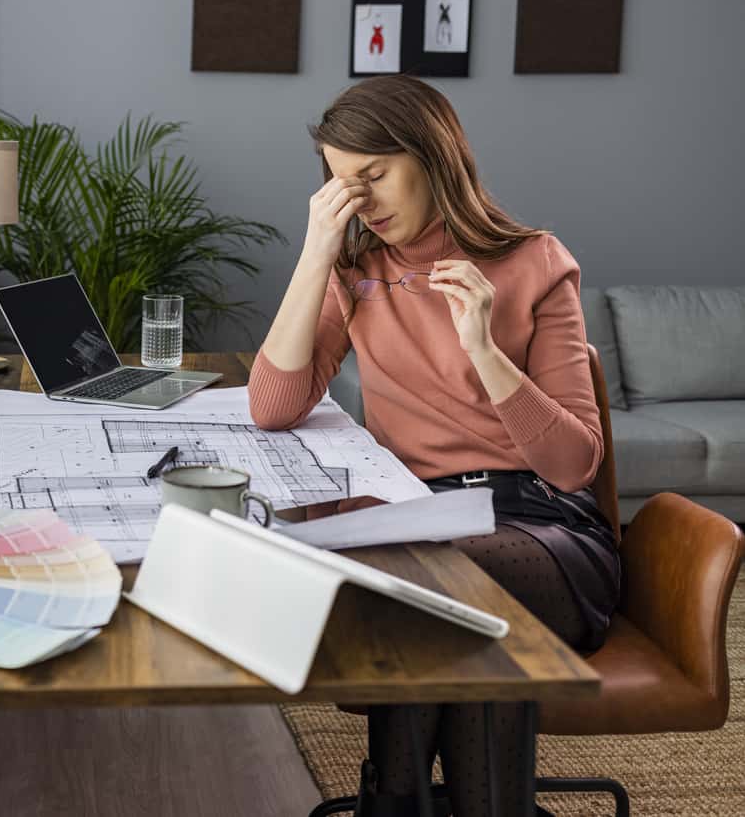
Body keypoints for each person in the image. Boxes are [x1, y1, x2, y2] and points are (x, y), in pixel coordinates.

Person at [248, 74, 621, 816]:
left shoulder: (536, 262)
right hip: (419, 523)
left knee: (429, 587)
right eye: (339, 182)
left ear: (433, 154)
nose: (359, 200)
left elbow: (575, 463)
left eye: (374, 175)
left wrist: (484, 349)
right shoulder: (355, 273)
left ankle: (392, 804)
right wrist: (316, 253)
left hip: (542, 529)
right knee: (448, 606)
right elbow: (273, 406)